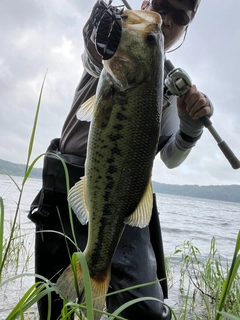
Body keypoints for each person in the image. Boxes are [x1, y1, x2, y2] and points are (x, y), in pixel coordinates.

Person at [28, 0, 213, 319]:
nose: (166, 19)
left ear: (187, 25)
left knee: (145, 312)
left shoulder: (169, 89)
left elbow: (170, 157)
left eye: (179, 16)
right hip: (64, 184)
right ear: (145, 4)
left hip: (124, 200)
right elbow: (93, 57)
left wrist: (191, 127)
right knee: (52, 306)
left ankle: (97, 278)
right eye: (162, 5)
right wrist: (98, 36)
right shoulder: (116, 46)